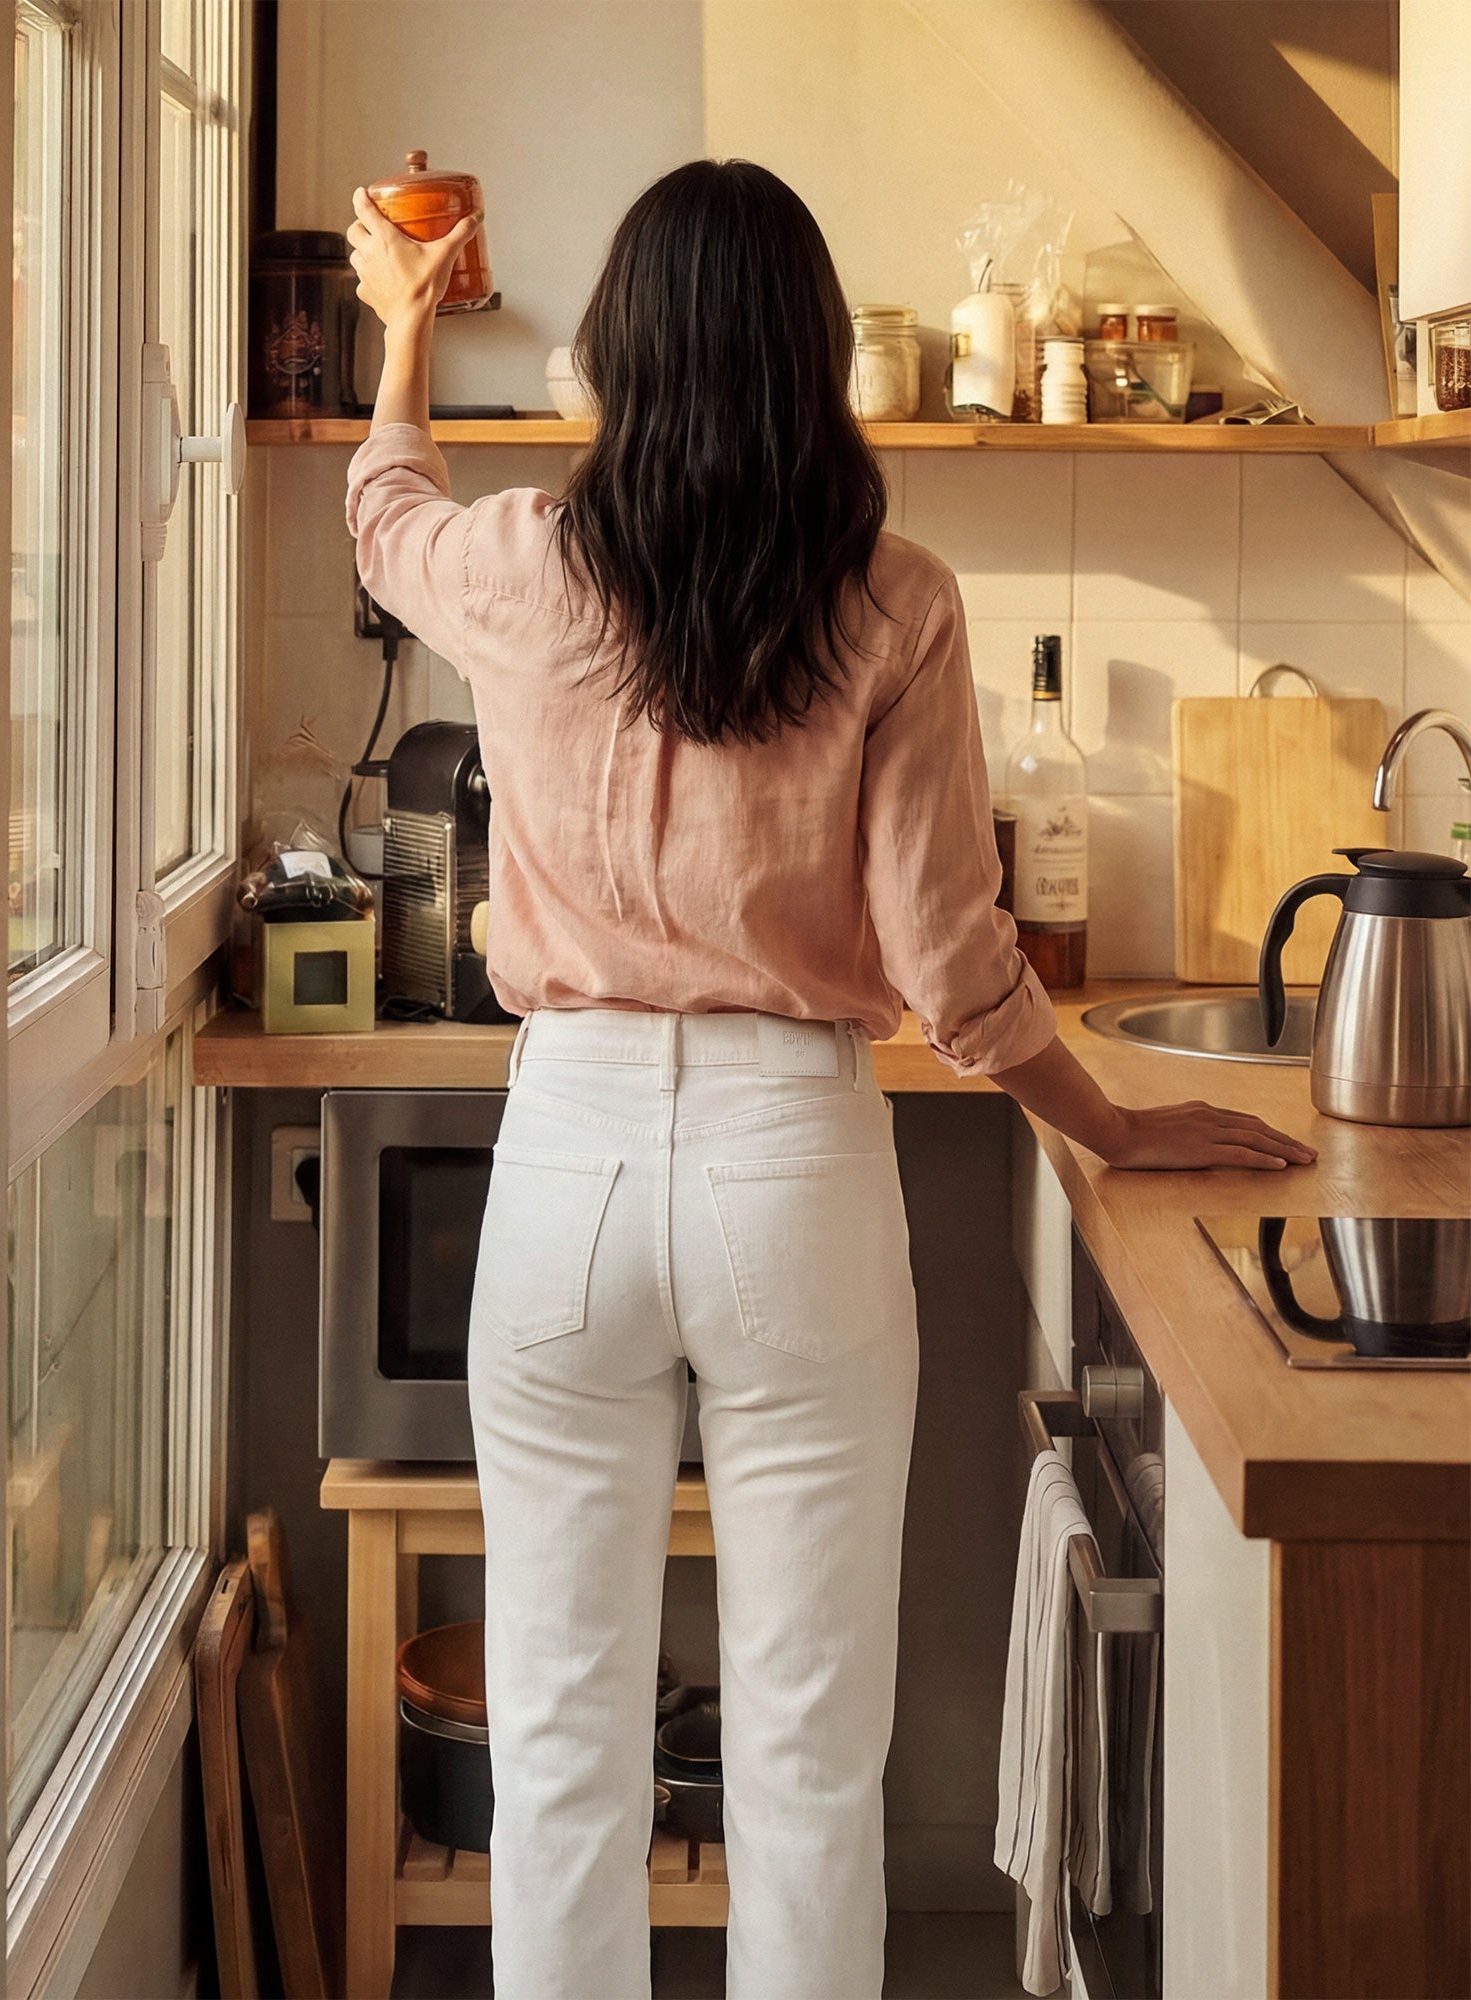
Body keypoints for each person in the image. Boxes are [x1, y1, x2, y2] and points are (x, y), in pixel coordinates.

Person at [344, 159, 1313, 2000]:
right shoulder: (895, 599)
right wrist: (1106, 1118)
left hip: (565, 1161)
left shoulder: (528, 563)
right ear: (810, 359)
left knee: (559, 1750)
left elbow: (387, 513)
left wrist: (400, 335)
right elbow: (955, 962)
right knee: (807, 1756)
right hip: (795, 1170)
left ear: (617, 347)